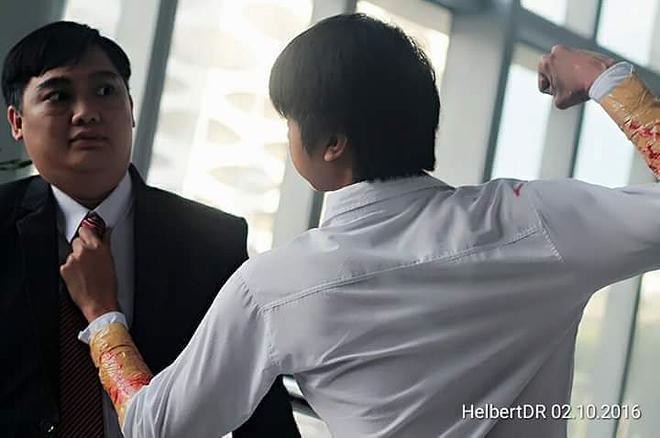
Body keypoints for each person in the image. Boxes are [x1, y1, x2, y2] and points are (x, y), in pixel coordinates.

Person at [62, 14, 659, 438]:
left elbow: (154, 425)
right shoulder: (533, 220)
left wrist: (103, 315)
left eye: (290, 121)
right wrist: (602, 76)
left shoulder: (273, 287)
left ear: (331, 144)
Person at [0, 21, 299, 438]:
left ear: (131, 108)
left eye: (105, 91)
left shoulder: (211, 241)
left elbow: (262, 411)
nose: (86, 112)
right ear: (17, 122)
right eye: (59, 96)